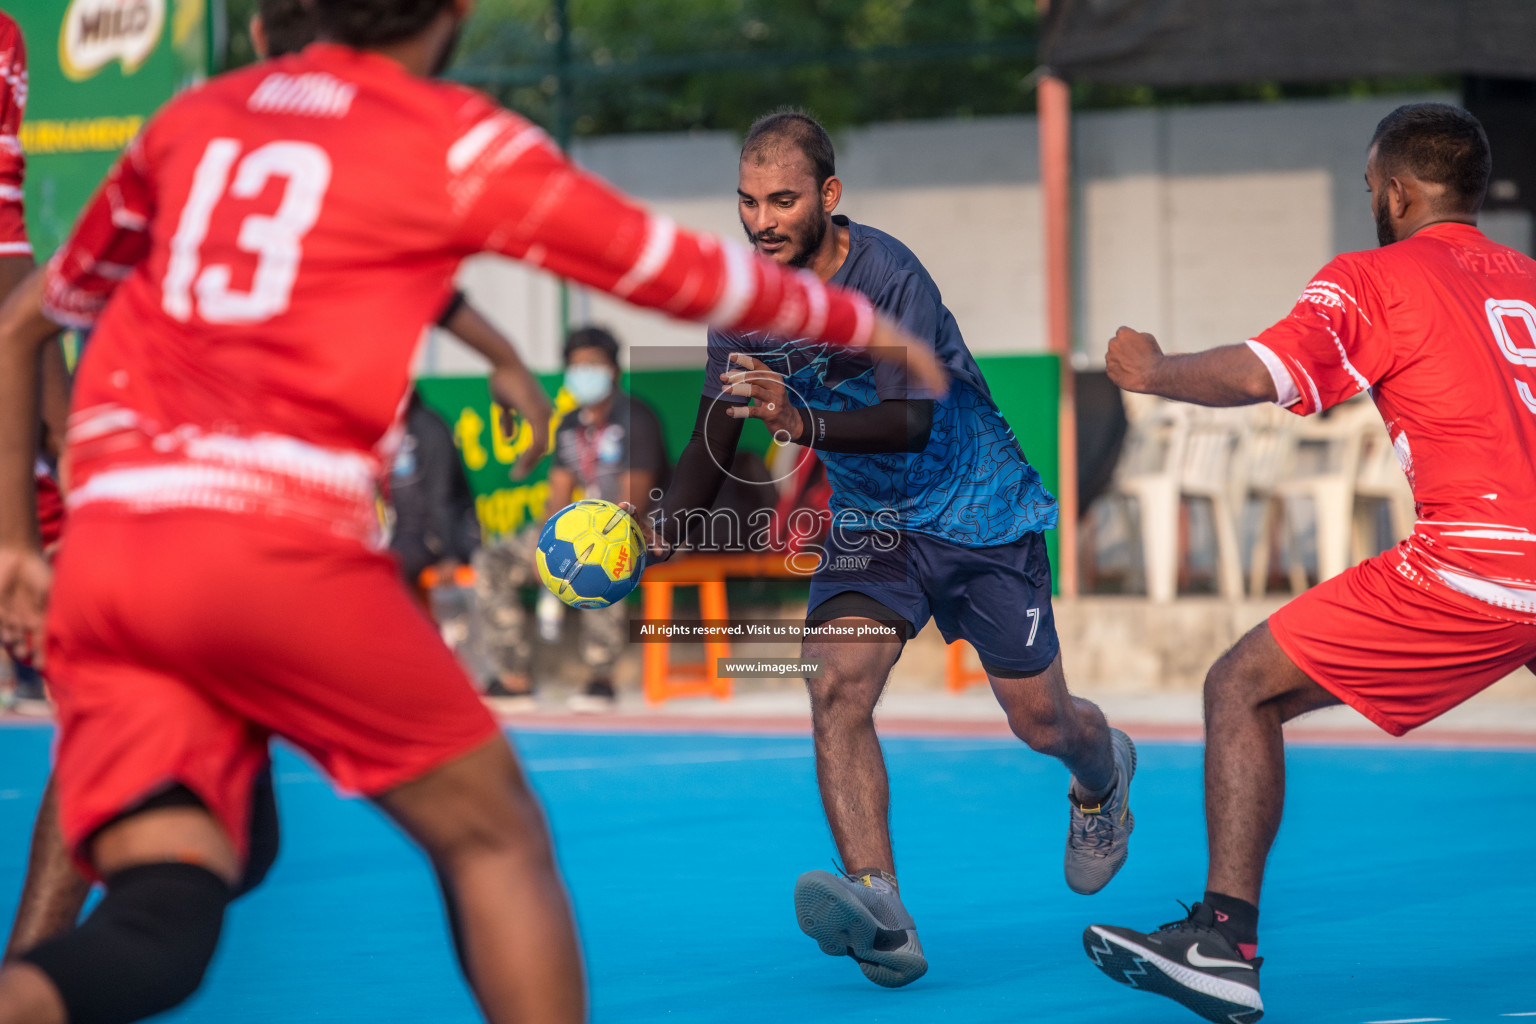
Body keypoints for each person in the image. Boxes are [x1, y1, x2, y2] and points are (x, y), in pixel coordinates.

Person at [0, 3, 941, 1022]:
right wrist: (848, 316)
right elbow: (666, 266)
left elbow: (20, 328)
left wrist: (15, 541)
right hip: (268, 545)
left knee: (173, 897)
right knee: (497, 840)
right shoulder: (446, 132)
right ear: (451, 14)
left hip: (113, 554)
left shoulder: (192, 123)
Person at [0, 0, 551, 965]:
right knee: (493, 833)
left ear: (259, 38)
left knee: (202, 864)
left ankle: (37, 979)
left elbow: (24, 302)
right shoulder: (349, 138)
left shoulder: (197, 131)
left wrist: (43, 487)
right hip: (238, 531)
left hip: (145, 510)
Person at [650, 109, 1136, 989]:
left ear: (828, 197)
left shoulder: (887, 273)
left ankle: (1101, 775)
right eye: (748, 202)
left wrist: (803, 419)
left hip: (977, 510)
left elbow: (910, 418)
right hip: (874, 525)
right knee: (834, 685)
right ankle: (882, 909)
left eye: (783, 200)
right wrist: (652, 542)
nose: (762, 221)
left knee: (1040, 722)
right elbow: (714, 443)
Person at [1083, 103, 1534, 1024]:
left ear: (1398, 191)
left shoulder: (1376, 277)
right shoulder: (1529, 280)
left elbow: (1265, 371)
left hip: (1480, 565)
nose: (1371, 199)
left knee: (1243, 684)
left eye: (1371, 187)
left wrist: (1155, 370)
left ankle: (1222, 943)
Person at [476, 325, 669, 713]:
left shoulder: (637, 418)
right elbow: (558, 495)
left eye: (593, 364)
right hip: (580, 525)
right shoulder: (568, 425)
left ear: (613, 370)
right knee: (492, 560)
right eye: (576, 366)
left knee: (602, 556)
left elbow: (633, 502)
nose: (584, 373)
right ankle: (515, 677)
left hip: (637, 529)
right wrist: (544, 547)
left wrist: (594, 536)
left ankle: (601, 678)